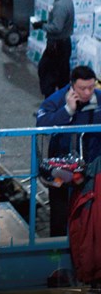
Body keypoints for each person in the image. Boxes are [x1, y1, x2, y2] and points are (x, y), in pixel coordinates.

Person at [36, 65, 101, 236]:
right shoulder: (56, 100)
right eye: (82, 88)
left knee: (88, 216)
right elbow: (41, 126)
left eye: (91, 87)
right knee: (59, 216)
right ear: (72, 86)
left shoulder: (99, 99)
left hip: (92, 170)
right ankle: (57, 258)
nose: (87, 92)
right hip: (62, 169)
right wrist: (67, 111)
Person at [33, 0, 74, 98]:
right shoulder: (67, 1)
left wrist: (42, 26)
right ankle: (62, 104)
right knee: (62, 76)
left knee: (46, 73)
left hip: (57, 46)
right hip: (63, 44)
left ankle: (50, 105)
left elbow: (56, 27)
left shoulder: (60, 5)